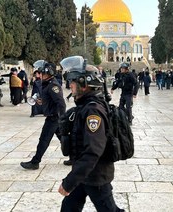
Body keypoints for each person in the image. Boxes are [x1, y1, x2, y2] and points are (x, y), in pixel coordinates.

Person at [58, 55, 123, 212]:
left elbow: (93, 151)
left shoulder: (92, 111)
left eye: (72, 82)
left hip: (95, 176)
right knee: (69, 208)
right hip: (83, 173)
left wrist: (69, 182)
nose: (70, 86)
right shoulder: (85, 106)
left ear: (84, 84)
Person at [20, 60, 66, 170]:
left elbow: (61, 103)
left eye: (43, 73)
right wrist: (42, 101)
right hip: (54, 117)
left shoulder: (53, 85)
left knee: (44, 140)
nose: (40, 75)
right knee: (63, 138)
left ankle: (35, 162)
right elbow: (51, 100)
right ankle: (75, 157)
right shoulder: (48, 84)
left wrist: (62, 118)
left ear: (49, 73)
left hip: (54, 117)